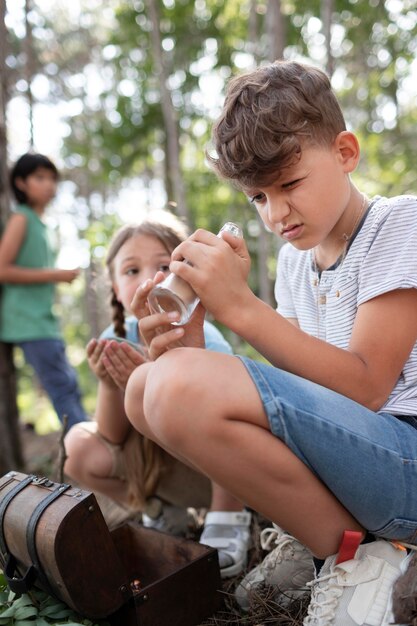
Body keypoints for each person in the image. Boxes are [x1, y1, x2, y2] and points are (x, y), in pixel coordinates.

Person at [124, 60, 417, 625]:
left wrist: (240, 309)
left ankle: (361, 558)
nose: (276, 213)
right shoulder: (294, 263)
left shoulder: (401, 224)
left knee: (176, 383)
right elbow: (300, 403)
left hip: (405, 463)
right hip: (355, 463)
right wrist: (192, 347)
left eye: (289, 184)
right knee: (147, 387)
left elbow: (367, 386)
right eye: (258, 198)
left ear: (345, 153)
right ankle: (341, 549)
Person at [64, 214, 252, 571]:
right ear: (115, 288)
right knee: (77, 447)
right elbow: (111, 436)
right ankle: (163, 512)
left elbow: (229, 410)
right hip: (159, 469)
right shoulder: (114, 337)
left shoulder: (202, 334)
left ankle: (230, 516)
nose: (149, 279)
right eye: (132, 270)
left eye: (164, 265)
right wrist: (109, 383)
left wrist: (156, 380)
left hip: (220, 471)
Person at [0, 153, 87, 430]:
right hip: (27, 320)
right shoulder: (21, 219)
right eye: (39, 177)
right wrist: (56, 275)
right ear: (21, 183)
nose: (49, 184)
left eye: (52, 178)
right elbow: (2, 269)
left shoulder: (42, 224)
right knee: (63, 387)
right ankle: (86, 451)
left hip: (42, 318)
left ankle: (85, 443)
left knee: (69, 385)